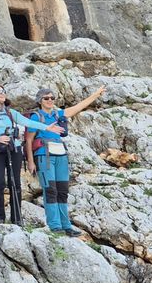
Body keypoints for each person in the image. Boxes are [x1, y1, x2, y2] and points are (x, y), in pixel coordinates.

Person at [26, 86, 105, 236]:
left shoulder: (58, 114)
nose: (50, 100)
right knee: (50, 189)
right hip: (44, 155)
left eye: (52, 98)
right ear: (40, 101)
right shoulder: (36, 117)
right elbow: (29, 140)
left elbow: (78, 107)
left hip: (61, 154)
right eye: (46, 98)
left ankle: (66, 225)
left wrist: (96, 94)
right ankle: (55, 225)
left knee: (62, 190)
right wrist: (31, 161)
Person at [0, 85, 63, 225]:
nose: (3, 94)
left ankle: (17, 217)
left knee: (15, 182)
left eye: (4, 91)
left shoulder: (10, 112)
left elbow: (28, 122)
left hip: (14, 148)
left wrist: (47, 127)